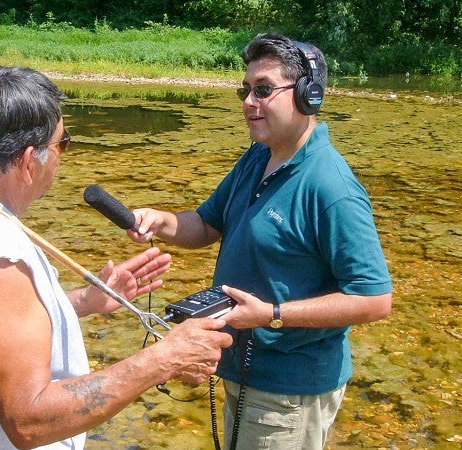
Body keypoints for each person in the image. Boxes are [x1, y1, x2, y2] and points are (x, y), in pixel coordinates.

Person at [0, 65, 233, 449]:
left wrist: (84, 301)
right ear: (30, 159)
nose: (63, 154)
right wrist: (164, 359)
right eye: (63, 143)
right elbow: (29, 421)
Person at [126, 33, 392, 449]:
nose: (249, 101)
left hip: (289, 391)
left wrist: (272, 313)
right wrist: (159, 220)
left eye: (263, 90)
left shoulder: (330, 187)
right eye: (245, 90)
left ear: (308, 96)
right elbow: (205, 225)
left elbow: (374, 300)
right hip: (242, 367)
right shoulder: (258, 154)